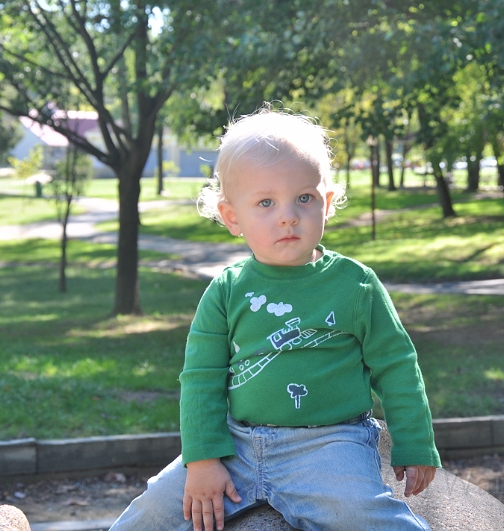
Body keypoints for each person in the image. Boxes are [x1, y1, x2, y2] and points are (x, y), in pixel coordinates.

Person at [109, 107, 441, 531]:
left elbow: (396, 365)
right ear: (232, 216)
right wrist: (203, 459)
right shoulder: (227, 290)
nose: (288, 215)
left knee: (362, 516)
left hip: (328, 445)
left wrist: (415, 442)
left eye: (304, 198)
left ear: (327, 203)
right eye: (265, 202)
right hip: (236, 446)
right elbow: (202, 378)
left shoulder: (355, 285)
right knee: (147, 515)